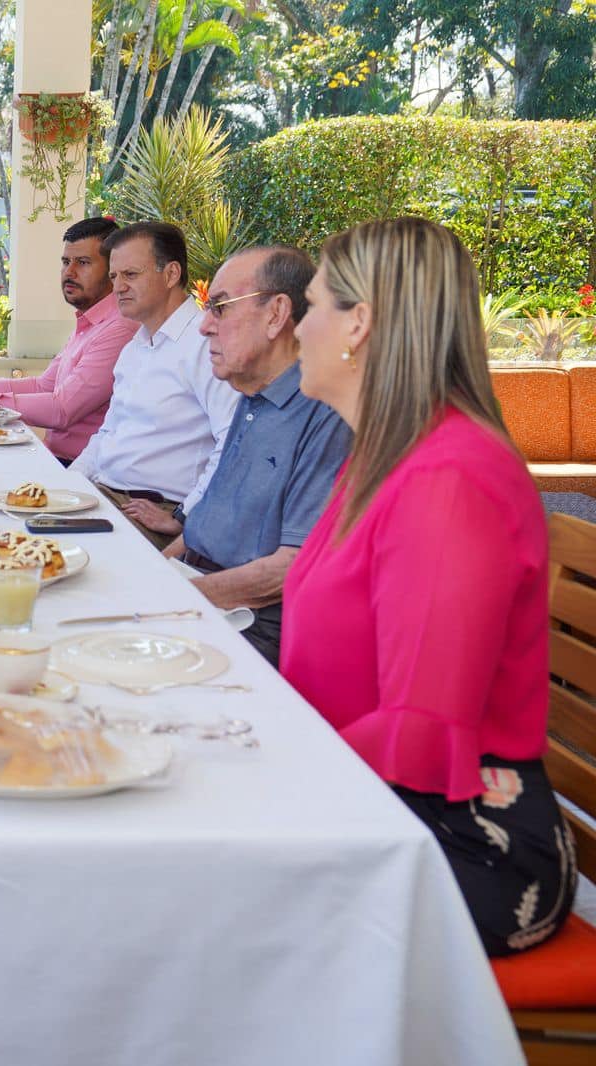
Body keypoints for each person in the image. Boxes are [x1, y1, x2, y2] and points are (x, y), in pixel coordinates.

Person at [282, 216, 574, 957]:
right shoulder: (388, 453)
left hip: (468, 845)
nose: (298, 329)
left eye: (312, 306)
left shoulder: (447, 481)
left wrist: (262, 773)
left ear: (361, 324)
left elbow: (420, 727)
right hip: (378, 803)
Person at [156, 246, 352, 666]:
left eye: (220, 308)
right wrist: (154, 572)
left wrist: (171, 600)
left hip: (251, 624)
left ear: (277, 314)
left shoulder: (323, 409)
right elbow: (201, 529)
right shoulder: (251, 394)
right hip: (199, 585)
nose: (204, 326)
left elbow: (288, 569)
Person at [70, 221, 239, 548]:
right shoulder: (136, 345)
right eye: (114, 276)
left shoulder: (205, 343)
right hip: (102, 497)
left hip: (151, 511)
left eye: (130, 275)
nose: (118, 287)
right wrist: (65, 485)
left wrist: (185, 517)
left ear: (171, 274)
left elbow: (233, 441)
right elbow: (108, 433)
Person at [0, 217, 136, 464]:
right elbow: (43, 386)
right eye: (66, 262)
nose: (69, 272)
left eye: (83, 262)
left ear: (113, 270)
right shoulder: (90, 322)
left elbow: (62, 410)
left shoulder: (120, 328)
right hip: (54, 457)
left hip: (83, 469)